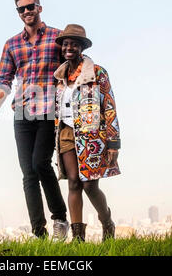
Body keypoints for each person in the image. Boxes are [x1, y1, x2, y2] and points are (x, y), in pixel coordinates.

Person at [0, 0, 69, 239]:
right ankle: (38, 232)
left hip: (48, 112)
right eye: (21, 9)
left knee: (40, 163)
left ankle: (60, 219)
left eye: (30, 7)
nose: (26, 12)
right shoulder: (11, 44)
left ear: (39, 8)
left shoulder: (56, 37)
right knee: (28, 173)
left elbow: (72, 65)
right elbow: (4, 80)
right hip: (22, 113)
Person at [53, 24, 121, 242]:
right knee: (73, 182)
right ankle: (78, 238)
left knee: (90, 185)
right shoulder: (60, 77)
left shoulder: (98, 73)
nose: (69, 47)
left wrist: (113, 142)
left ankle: (107, 222)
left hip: (91, 136)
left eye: (74, 44)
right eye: (66, 44)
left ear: (81, 47)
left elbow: (109, 106)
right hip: (65, 133)